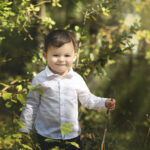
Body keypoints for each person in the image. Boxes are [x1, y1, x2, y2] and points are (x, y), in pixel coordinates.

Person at [20, 29, 116, 150]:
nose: (61, 59)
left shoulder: (76, 79)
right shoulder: (40, 80)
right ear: (45, 56)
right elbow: (31, 105)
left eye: (67, 55)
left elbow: (87, 99)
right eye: (55, 55)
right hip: (46, 136)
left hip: (72, 137)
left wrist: (104, 103)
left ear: (74, 57)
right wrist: (24, 130)